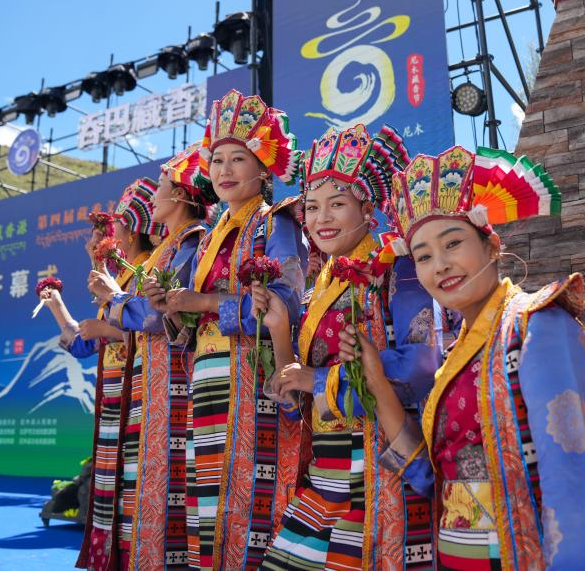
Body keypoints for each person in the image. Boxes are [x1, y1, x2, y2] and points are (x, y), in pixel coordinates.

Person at [342, 146, 585, 569]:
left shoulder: (537, 326)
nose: (441, 265)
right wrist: (375, 380)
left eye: (453, 243)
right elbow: (431, 478)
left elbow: (575, 489)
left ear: (491, 246)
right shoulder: (454, 358)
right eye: (424, 256)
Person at [253, 125, 439, 569]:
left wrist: (318, 378)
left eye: (337, 204)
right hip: (326, 468)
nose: (321, 219)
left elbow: (422, 364)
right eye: (312, 208)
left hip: (380, 467)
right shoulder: (322, 282)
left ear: (368, 207)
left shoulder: (400, 268)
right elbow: (298, 401)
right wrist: (280, 334)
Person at [148, 89, 310, 570]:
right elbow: (188, 323)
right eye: (217, 159)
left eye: (238, 158)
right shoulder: (212, 234)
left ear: (264, 167)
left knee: (251, 496)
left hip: (253, 379)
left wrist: (203, 302)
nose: (224, 169)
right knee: (210, 496)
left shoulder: (276, 223)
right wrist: (173, 310)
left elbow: (285, 302)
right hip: (208, 379)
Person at [86, 145, 217, 570]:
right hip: (151, 376)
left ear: (179, 196)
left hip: (172, 377)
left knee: (164, 485)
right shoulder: (171, 247)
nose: (155, 196)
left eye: (160, 187)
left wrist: (115, 298)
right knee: (143, 483)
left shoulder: (192, 241)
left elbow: (161, 314)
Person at [71, 177, 160, 571]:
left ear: (137, 224)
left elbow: (149, 325)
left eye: (117, 225)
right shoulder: (123, 274)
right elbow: (90, 337)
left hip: (139, 384)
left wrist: (104, 327)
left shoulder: (146, 270)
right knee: (112, 484)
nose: (109, 234)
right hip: (113, 384)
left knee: (132, 482)